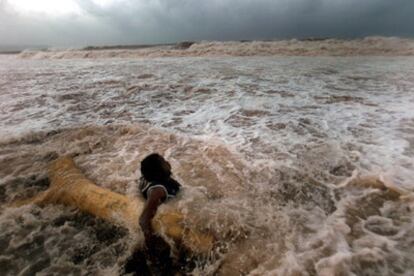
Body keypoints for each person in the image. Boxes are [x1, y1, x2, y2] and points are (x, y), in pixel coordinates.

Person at [138, 153, 181, 273]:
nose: (167, 162)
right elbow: (143, 220)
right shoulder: (158, 190)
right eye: (163, 161)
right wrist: (152, 254)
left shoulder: (155, 180)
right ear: (159, 172)